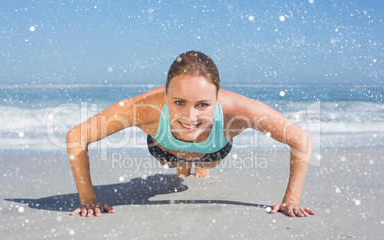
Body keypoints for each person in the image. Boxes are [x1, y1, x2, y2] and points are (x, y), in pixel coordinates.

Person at [66, 51, 316, 218]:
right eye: (179, 102)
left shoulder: (240, 110)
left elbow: (300, 138)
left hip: (213, 148)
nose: (190, 117)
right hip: (163, 147)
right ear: (165, 96)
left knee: (208, 162)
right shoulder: (144, 108)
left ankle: (197, 164)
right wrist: (88, 199)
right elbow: (76, 136)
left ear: (217, 99)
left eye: (203, 105)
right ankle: (182, 164)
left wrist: (290, 200)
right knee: (173, 163)